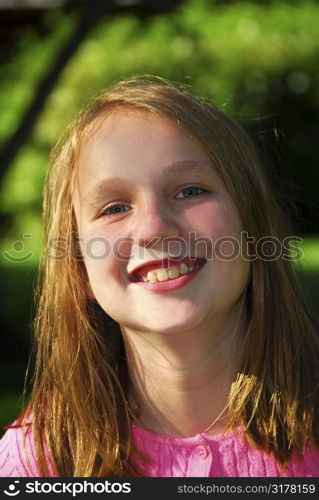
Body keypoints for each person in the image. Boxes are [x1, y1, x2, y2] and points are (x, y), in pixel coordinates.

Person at [0, 75, 318, 477]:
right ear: (79, 268)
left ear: (253, 228)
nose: (153, 228)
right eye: (114, 208)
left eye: (190, 191)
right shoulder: (34, 464)